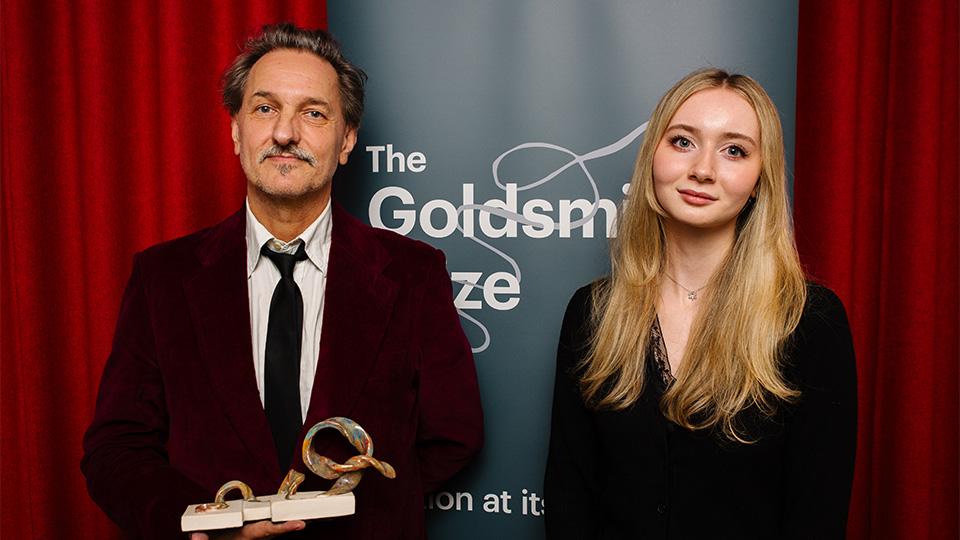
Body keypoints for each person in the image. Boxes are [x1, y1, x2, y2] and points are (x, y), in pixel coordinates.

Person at [82, 23, 483, 540]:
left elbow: (455, 433)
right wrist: (204, 522)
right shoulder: (163, 278)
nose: (285, 133)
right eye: (265, 108)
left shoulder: (413, 274)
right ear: (235, 131)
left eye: (313, 113)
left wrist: (364, 512)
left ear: (347, 141)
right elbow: (116, 449)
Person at [543, 68, 856, 539]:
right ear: (653, 158)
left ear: (759, 181)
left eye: (734, 150)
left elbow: (817, 516)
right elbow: (570, 500)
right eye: (683, 141)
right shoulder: (593, 313)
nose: (703, 169)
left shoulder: (810, 322)